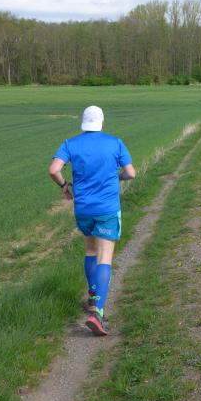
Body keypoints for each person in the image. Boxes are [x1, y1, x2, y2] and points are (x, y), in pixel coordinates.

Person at [48, 105, 136, 336]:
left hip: (83, 209)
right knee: (105, 256)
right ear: (102, 122)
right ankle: (97, 312)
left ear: (83, 122)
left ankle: (92, 295)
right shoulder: (115, 143)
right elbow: (131, 173)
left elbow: (54, 169)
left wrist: (64, 185)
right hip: (107, 208)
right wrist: (118, 177)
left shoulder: (70, 143)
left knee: (90, 250)